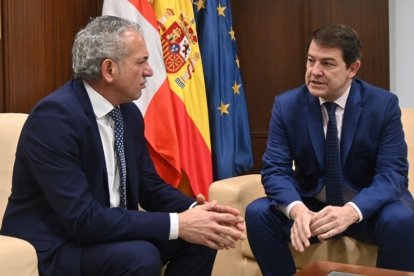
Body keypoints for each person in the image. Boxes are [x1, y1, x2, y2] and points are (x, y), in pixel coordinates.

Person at [0, 15, 245, 276]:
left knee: (203, 237)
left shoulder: (127, 114)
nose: (150, 71)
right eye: (141, 62)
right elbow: (83, 219)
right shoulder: (54, 119)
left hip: (104, 234)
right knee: (141, 256)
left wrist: (197, 212)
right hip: (57, 244)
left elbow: (149, 187)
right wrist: (179, 223)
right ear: (109, 69)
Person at [245, 23, 414, 275]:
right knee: (257, 212)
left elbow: (392, 175)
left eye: (327, 63)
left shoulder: (382, 105)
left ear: (352, 68)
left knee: (401, 219)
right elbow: (274, 170)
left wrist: (350, 212)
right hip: (313, 208)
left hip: (365, 208)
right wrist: (297, 210)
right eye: (311, 60)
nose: (314, 71)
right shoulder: (287, 105)